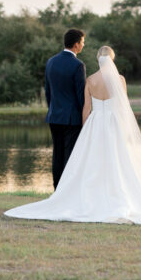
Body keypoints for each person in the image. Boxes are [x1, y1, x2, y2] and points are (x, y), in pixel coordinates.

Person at [5, 45, 141, 225]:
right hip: (113, 124)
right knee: (117, 160)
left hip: (95, 123)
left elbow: (86, 108)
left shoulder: (90, 80)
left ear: (98, 59)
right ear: (112, 60)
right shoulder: (120, 80)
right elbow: (123, 107)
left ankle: (89, 195)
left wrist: (85, 129)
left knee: (92, 161)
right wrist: (124, 127)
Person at [44, 28, 87, 189]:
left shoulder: (51, 61)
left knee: (57, 154)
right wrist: (84, 118)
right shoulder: (78, 65)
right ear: (76, 44)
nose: (83, 45)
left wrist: (53, 109)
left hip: (54, 116)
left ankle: (57, 190)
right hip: (72, 119)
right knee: (70, 155)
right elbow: (80, 96)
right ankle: (67, 192)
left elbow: (47, 91)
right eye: (82, 42)